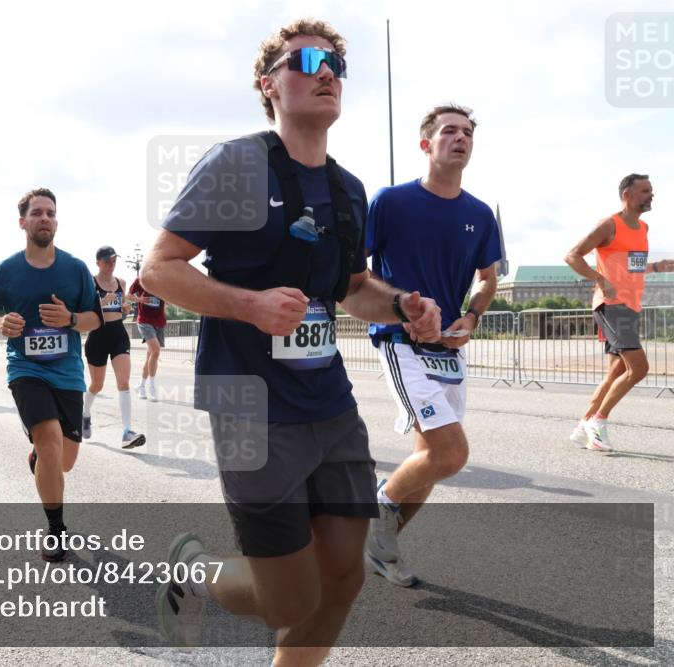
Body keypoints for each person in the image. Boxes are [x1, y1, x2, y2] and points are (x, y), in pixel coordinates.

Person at [141, 20, 440, 661]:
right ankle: (193, 571)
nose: (325, 70)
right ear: (269, 83)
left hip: (328, 403)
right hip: (250, 404)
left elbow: (352, 287)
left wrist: (403, 305)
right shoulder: (237, 163)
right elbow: (158, 268)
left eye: (336, 62)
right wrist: (248, 305)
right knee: (288, 599)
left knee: (345, 576)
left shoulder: (347, 189)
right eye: (305, 59)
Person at [364, 104, 502, 588]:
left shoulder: (480, 214)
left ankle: (380, 548)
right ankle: (370, 514)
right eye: (449, 131)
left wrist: (470, 315)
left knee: (431, 460)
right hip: (400, 341)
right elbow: (352, 272)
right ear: (426, 144)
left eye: (467, 132)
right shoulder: (390, 201)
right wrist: (400, 309)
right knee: (451, 453)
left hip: (449, 350)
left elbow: (488, 279)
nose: (460, 138)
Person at [0, 188, 103, 562]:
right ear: (23, 222)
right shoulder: (7, 270)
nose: (44, 218)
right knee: (49, 442)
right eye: (37, 213)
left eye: (50, 213)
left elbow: (97, 317)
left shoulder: (75, 269)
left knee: (63, 460)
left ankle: (40, 462)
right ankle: (57, 530)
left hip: (68, 374)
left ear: (56, 222)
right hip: (26, 369)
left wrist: (72, 320)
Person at [565, 174, 674, 451]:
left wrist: (658, 267)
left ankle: (584, 425)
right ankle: (598, 423)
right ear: (627, 195)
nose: (651, 195)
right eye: (645, 191)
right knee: (639, 368)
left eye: (651, 191)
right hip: (612, 305)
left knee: (616, 371)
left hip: (631, 305)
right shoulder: (609, 224)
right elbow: (573, 256)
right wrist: (600, 279)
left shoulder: (643, 228)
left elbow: (634, 267)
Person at [81, 246, 146, 449]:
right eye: (108, 261)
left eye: (114, 261)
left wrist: (125, 308)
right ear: (98, 262)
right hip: (98, 335)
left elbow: (121, 307)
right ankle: (85, 414)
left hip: (118, 334)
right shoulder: (90, 282)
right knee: (96, 385)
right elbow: (84, 309)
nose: (111, 265)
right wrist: (101, 302)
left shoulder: (121, 283)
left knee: (124, 382)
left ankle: (127, 431)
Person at [128, 275, 166, 401]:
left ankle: (141, 385)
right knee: (156, 350)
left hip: (159, 321)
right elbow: (128, 295)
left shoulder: (165, 278)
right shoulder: (141, 278)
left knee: (150, 355)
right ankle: (152, 386)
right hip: (144, 320)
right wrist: (139, 299)